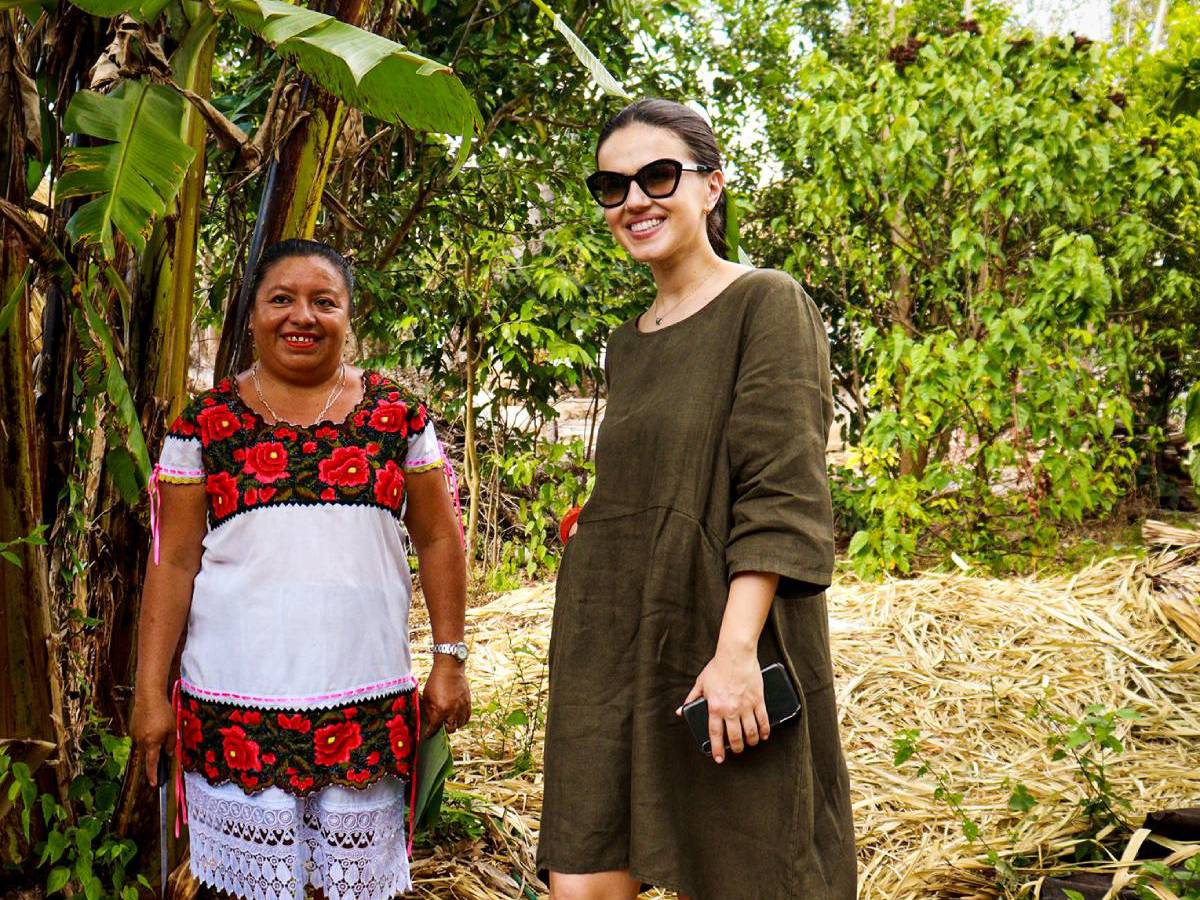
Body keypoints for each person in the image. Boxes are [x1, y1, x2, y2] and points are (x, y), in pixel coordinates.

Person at [536, 99, 856, 899]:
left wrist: (737, 653)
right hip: (610, 635)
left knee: (745, 867)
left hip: (719, 625)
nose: (633, 200)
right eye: (612, 186)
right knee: (582, 876)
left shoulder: (766, 302)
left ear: (712, 187)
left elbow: (781, 493)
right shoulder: (628, 337)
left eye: (657, 175)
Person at [131, 239, 470, 900]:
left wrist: (449, 660)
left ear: (349, 316)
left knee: (347, 886)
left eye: (324, 302)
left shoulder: (397, 417)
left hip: (363, 702)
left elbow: (439, 538)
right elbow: (172, 563)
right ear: (252, 316)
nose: (302, 317)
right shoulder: (204, 425)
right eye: (281, 299)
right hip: (235, 706)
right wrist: (149, 692)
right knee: (246, 887)